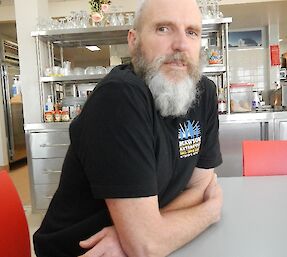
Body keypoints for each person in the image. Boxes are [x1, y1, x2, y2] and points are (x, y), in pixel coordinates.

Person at [33, 0, 223, 256]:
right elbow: (147, 247)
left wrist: (137, 233)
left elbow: (199, 188)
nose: (180, 44)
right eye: (163, 29)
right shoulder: (120, 97)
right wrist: (210, 212)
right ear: (134, 41)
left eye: (191, 32)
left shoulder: (204, 93)